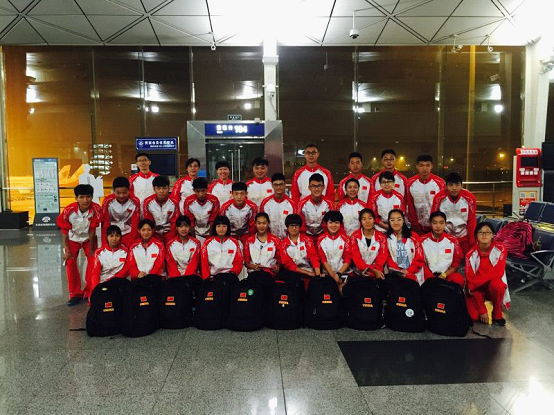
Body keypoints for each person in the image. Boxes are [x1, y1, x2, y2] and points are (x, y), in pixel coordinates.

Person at [57, 184, 103, 305]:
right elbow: (64, 230)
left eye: (88, 197)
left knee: (93, 264)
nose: (85, 200)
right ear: (76, 198)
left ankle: (89, 291)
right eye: (81, 197)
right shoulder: (68, 211)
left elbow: (93, 229)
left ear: (92, 197)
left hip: (89, 239)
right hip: (72, 239)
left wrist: (92, 249)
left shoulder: (96, 209)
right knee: (70, 264)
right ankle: (75, 294)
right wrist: (67, 249)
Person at [465, 222, 509, 326]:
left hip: (491, 286)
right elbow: (471, 283)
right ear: (476, 236)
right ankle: (477, 306)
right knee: (474, 317)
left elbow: (498, 272)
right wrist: (482, 310)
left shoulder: (501, 248)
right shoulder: (470, 254)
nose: (484, 235)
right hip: (477, 290)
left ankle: (497, 312)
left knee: (497, 285)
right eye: (480, 232)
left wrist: (475, 283)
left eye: (487, 232)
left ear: (493, 235)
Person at [431, 172, 477, 254]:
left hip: (464, 238)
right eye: (451, 185)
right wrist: (437, 238)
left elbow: (471, 221)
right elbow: (434, 219)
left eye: (457, 184)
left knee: (464, 260)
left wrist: (472, 241)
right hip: (445, 237)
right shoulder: (438, 198)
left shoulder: (470, 198)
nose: (454, 188)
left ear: (461, 185)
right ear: (446, 186)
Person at [419, 211, 465, 287]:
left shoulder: (453, 241)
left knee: (458, 279)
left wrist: (443, 275)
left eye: (441, 223)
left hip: (446, 275)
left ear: (445, 224)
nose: (438, 226)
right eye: (435, 223)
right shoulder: (421, 240)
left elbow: (455, 265)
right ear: (430, 224)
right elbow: (420, 263)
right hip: (427, 275)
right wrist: (431, 278)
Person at [279, 214, 321, 290]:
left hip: (310, 271)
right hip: (294, 274)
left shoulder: (307, 239)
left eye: (296, 226)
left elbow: (313, 256)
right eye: (291, 226)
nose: (294, 228)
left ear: (300, 227)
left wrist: (317, 272)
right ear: (287, 227)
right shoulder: (283, 244)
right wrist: (307, 273)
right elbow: (288, 264)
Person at [406, 155, 446, 235]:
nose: (424, 168)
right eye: (421, 165)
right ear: (417, 166)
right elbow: (410, 205)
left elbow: (443, 205)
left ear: (432, 166)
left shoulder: (440, 183)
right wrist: (415, 224)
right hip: (417, 226)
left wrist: (437, 223)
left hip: (436, 226)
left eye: (427, 165)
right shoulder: (410, 183)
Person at [385, 209, 425, 284]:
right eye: (392, 220)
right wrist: (399, 272)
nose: (396, 223)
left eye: (399, 219)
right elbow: (388, 258)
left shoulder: (413, 236)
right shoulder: (387, 239)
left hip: (413, 275)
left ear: (403, 220)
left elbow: (419, 258)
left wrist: (408, 271)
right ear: (389, 222)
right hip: (395, 276)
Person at [87, 225, 129, 294]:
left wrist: (111, 280)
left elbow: (125, 271)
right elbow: (95, 273)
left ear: (120, 237)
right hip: (102, 283)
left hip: (118, 283)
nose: (114, 239)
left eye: (117, 236)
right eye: (111, 236)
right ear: (106, 237)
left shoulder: (126, 252)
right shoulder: (99, 252)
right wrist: (96, 288)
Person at [101, 176, 141, 248]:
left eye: (124, 193)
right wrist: (106, 241)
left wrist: (133, 241)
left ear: (129, 190)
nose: (121, 196)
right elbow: (105, 223)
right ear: (113, 190)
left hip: (128, 233)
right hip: (112, 233)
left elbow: (135, 223)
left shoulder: (135, 201)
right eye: (118, 193)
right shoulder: (107, 201)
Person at [200, 216, 243, 280]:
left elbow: (238, 262)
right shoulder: (207, 243)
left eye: (224, 226)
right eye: (218, 226)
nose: (221, 229)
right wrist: (207, 278)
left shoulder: (234, 242)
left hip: (229, 276)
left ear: (228, 227)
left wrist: (233, 273)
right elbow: (204, 263)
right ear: (214, 227)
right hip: (212, 277)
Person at [349, 208, 388, 279]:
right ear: (360, 222)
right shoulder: (354, 236)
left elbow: (382, 257)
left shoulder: (382, 237)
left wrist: (375, 272)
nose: (367, 221)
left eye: (370, 218)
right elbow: (356, 258)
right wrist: (372, 270)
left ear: (374, 220)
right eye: (364, 219)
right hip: (358, 274)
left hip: (377, 274)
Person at [181, 177, 220, 245]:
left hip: (210, 232)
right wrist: (194, 240)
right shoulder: (188, 201)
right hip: (194, 232)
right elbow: (190, 222)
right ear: (194, 190)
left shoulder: (214, 200)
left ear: (207, 189)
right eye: (198, 191)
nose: (201, 194)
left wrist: (209, 239)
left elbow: (213, 221)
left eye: (203, 191)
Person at [317, 211, 352, 287]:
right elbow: (323, 259)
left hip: (343, 273)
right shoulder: (321, 239)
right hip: (327, 274)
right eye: (330, 223)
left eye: (336, 223)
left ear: (340, 224)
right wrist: (333, 276)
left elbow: (348, 259)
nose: (333, 225)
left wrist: (338, 274)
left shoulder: (346, 239)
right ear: (326, 224)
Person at [142, 175, 180, 243]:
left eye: (164, 188)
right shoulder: (147, 202)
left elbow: (174, 223)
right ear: (154, 189)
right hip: (154, 234)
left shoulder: (175, 202)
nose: (161, 191)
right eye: (158, 188)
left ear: (169, 188)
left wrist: (170, 239)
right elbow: (148, 222)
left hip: (170, 234)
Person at [297, 173, 335, 241]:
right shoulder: (302, 204)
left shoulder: (329, 204)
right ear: (309, 188)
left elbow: (331, 224)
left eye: (319, 186)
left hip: (324, 236)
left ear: (323, 187)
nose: (316, 189)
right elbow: (300, 226)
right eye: (313, 186)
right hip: (306, 236)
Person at [243, 213, 281, 279]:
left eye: (264, 223)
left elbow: (280, 260)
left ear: (268, 223)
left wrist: (278, 266)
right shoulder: (249, 241)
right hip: (253, 273)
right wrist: (254, 267)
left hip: (269, 274)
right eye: (259, 223)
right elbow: (246, 262)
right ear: (255, 224)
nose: (261, 226)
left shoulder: (276, 241)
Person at [260, 173, 296, 240]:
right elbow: (261, 223)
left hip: (287, 240)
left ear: (285, 185)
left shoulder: (292, 204)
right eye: (276, 185)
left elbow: (295, 225)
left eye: (281, 184)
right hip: (270, 241)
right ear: (272, 185)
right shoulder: (265, 203)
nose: (278, 187)